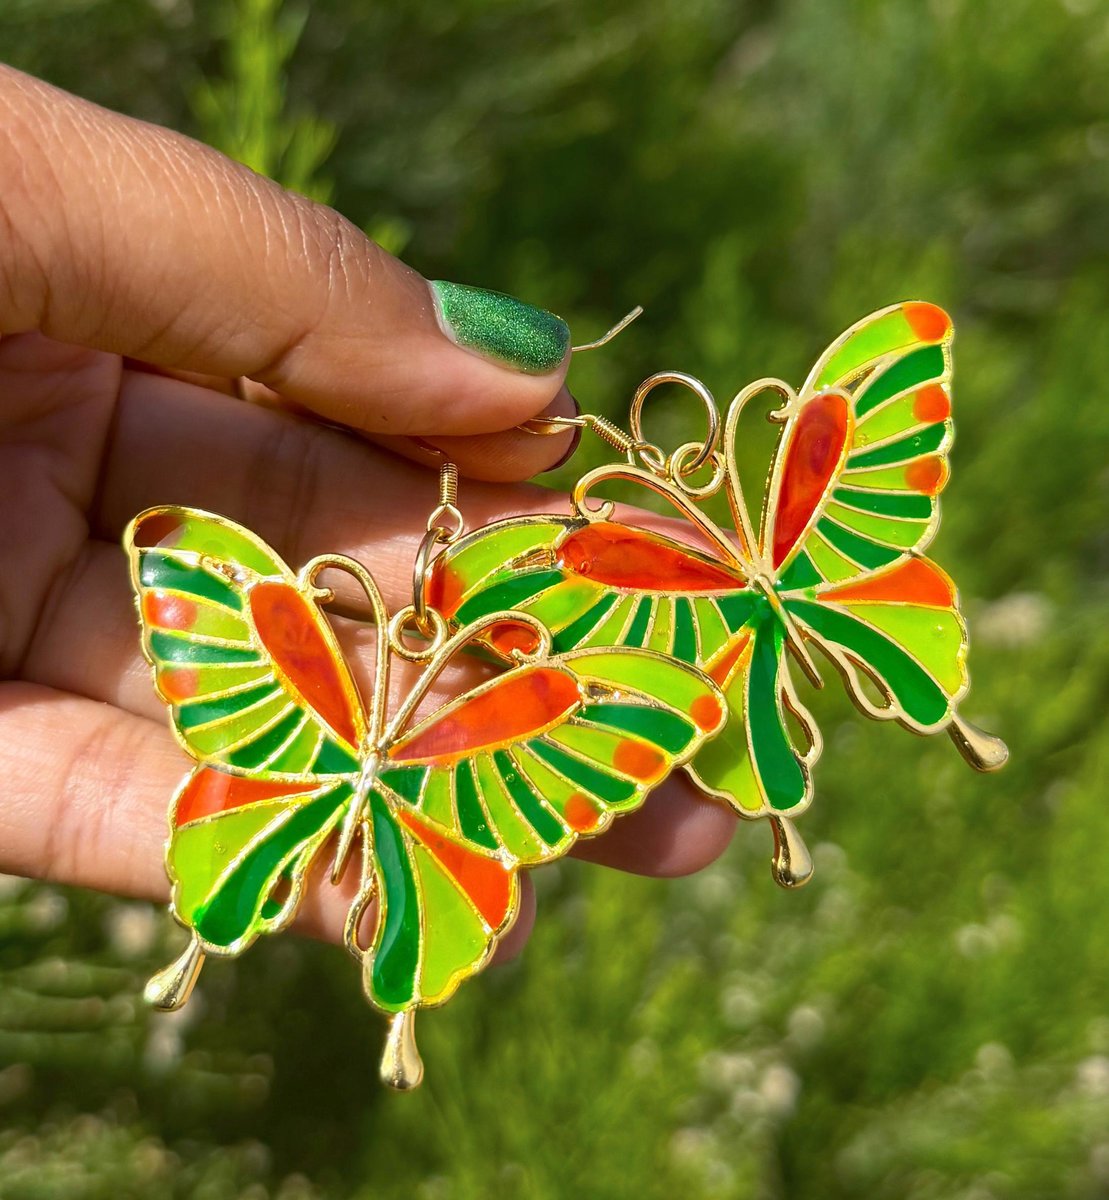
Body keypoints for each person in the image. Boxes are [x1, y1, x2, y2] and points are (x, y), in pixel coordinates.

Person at [0, 65, 734, 957]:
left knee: (284, 850)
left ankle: (244, 951)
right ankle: (289, 965)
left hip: (334, 769)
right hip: (413, 771)